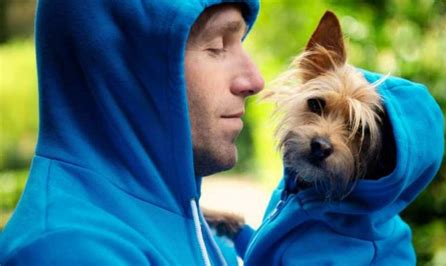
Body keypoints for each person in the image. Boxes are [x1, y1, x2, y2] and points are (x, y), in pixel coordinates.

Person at [0, 0, 263, 265]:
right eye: (217, 47)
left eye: (240, 41)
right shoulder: (69, 249)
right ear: (121, 65)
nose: (255, 81)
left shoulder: (195, 228)